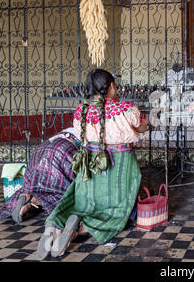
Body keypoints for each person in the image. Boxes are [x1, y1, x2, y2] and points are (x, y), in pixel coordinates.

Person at [37, 69, 149, 260]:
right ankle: (80, 229)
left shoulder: (82, 109)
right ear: (112, 86)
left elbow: (80, 134)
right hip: (120, 164)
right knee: (115, 208)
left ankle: (56, 225)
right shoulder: (125, 109)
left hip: (91, 162)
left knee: (79, 199)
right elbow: (141, 126)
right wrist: (146, 123)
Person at [0, 127, 80, 223]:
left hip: (40, 151)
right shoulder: (92, 131)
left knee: (37, 185)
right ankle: (35, 200)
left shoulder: (70, 128)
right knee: (66, 192)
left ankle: (29, 198)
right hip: (61, 151)